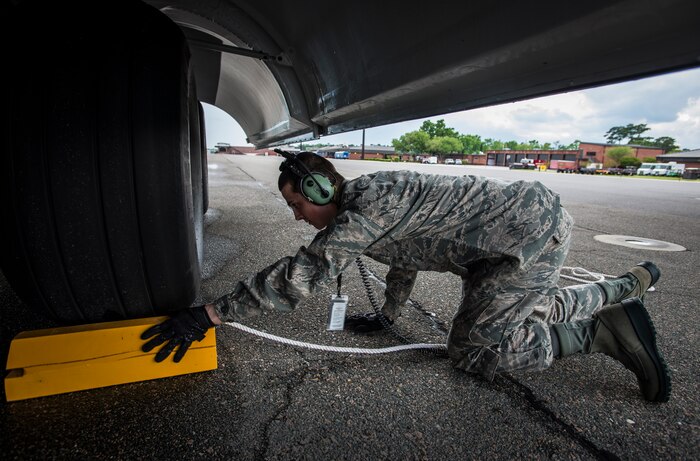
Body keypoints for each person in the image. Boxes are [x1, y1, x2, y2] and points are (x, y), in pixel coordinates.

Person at [141, 151, 670, 402]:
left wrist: (208, 314)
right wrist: (389, 314)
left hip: (525, 239)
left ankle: (600, 332)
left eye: (298, 204)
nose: (297, 216)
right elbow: (408, 256)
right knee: (519, 310)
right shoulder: (373, 205)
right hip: (505, 248)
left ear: (323, 192)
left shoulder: (369, 205)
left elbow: (304, 274)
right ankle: (622, 291)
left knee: (475, 352)